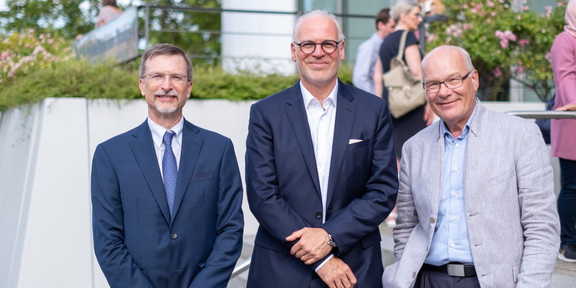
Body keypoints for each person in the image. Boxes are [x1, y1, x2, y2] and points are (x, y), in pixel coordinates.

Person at [382, 45, 560, 288]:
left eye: (453, 80)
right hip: (428, 279)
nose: (443, 92)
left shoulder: (520, 135)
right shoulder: (415, 148)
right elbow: (406, 226)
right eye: (433, 84)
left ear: (474, 79)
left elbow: (541, 227)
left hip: (494, 281)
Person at [245, 10, 399, 288]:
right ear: (294, 51)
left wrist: (330, 236)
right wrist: (323, 260)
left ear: (341, 50)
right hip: (282, 269)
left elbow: (383, 191)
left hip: (354, 269)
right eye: (308, 44)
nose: (318, 52)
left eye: (328, 44)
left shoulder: (373, 110)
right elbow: (263, 194)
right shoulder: (265, 113)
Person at [91, 43, 244, 288]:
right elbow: (108, 241)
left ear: (189, 87)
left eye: (176, 77)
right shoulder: (110, 155)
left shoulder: (219, 149)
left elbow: (230, 229)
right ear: (142, 85)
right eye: (157, 76)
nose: (166, 85)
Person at [551, 0, 576, 263]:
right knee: (572, 185)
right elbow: (565, 75)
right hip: (572, 120)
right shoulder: (565, 39)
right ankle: (567, 243)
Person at [352, 8, 395, 93]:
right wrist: (376, 99)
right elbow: (360, 79)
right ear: (380, 25)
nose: (395, 30)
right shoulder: (369, 47)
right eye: (392, 27)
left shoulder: (385, 45)